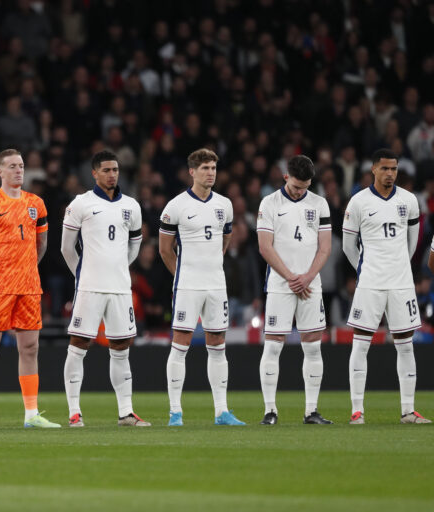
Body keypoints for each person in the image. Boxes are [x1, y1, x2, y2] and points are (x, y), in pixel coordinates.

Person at [0, 148, 60, 428]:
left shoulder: (36, 203)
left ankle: (31, 414)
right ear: (0, 171)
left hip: (29, 286)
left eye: (21, 165)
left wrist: (28, 265)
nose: (19, 170)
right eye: (12, 166)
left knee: (30, 348)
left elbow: (41, 243)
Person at [60, 150, 150, 427]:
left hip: (121, 288)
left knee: (121, 346)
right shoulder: (80, 204)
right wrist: (82, 272)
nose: (112, 174)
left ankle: (126, 412)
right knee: (78, 344)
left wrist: (119, 268)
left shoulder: (132, 206)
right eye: (107, 170)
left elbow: (135, 244)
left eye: (116, 170)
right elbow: (66, 248)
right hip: (90, 287)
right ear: (95, 173)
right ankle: (74, 412)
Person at [158, 148, 245, 427]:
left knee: (218, 345)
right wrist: (181, 276)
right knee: (180, 344)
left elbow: (225, 239)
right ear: (192, 172)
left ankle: (222, 412)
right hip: (188, 285)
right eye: (205, 168)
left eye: (214, 168)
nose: (211, 173)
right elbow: (164, 249)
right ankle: (175, 412)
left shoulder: (225, 205)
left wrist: (211, 267)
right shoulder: (176, 206)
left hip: (216, 285)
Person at [343, 148, 430, 424]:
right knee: (361, 344)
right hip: (370, 282)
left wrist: (398, 266)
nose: (390, 173)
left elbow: (412, 243)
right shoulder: (358, 202)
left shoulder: (409, 200)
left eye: (393, 169)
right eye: (385, 169)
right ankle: (357, 410)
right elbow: (348, 246)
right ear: (373, 170)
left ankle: (408, 410)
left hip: (401, 283)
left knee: (405, 346)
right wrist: (365, 268)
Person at [256, 155, 333, 425]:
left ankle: (311, 411)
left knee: (313, 347)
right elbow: (265, 246)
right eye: (296, 186)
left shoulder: (319, 203)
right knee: (273, 346)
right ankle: (270, 410)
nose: (301, 191)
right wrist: (291, 277)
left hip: (310, 284)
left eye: (305, 186)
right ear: (285, 176)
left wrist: (308, 277)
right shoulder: (270, 203)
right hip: (280, 284)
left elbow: (325, 247)